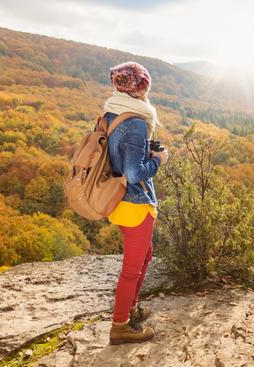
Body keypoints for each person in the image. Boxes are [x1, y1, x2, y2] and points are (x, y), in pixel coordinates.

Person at [103, 61, 168, 344]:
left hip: (117, 200)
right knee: (132, 268)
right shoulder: (137, 123)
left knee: (145, 256)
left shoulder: (110, 112)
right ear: (141, 89)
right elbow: (134, 173)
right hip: (136, 203)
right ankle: (120, 326)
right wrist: (158, 160)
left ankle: (130, 310)